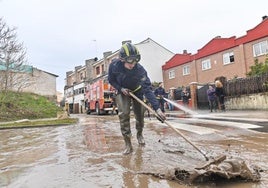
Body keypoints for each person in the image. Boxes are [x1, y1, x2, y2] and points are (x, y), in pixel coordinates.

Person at [108, 42, 166, 155]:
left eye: (135, 61)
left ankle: (139, 134)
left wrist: (157, 109)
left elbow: (148, 90)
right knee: (124, 114)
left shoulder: (140, 70)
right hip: (123, 91)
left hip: (137, 91)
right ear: (122, 59)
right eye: (130, 61)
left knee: (139, 115)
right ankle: (128, 144)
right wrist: (120, 88)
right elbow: (111, 80)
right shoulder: (114, 66)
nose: (132, 64)